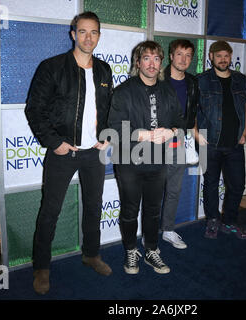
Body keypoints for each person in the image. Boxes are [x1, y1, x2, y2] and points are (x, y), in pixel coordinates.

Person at [25, 11, 113, 295]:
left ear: (99, 36)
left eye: (94, 32)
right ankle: (41, 267)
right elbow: (34, 109)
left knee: (93, 206)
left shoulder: (104, 70)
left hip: (94, 153)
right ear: (73, 33)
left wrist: (107, 136)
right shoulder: (52, 67)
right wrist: (54, 141)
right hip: (63, 152)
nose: (89, 37)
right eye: (83, 31)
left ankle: (91, 254)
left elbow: (109, 109)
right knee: (50, 211)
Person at [108, 41, 183, 274]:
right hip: (129, 161)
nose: (152, 64)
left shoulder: (168, 91)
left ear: (161, 62)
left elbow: (180, 126)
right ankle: (131, 250)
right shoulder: (122, 91)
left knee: (152, 210)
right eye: (147, 58)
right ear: (137, 62)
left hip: (157, 161)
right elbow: (112, 129)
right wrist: (143, 134)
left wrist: (170, 132)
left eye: (156, 59)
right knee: (130, 210)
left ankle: (151, 249)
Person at [196, 40, 246, 240]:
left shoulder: (241, 80)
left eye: (226, 55)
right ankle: (212, 220)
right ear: (211, 57)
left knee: (238, 185)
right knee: (210, 184)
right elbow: (190, 110)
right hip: (208, 144)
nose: (222, 59)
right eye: (218, 55)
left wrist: (244, 132)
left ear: (230, 57)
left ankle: (229, 221)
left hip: (235, 144)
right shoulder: (200, 80)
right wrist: (196, 133)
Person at [160, 39, 199, 249]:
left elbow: (192, 113)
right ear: (171, 55)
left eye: (188, 56)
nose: (183, 59)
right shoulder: (157, 78)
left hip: (180, 141)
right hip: (156, 141)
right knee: (152, 189)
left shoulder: (193, 82)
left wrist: (194, 137)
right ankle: (147, 231)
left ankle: (167, 230)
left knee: (174, 189)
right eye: (179, 54)